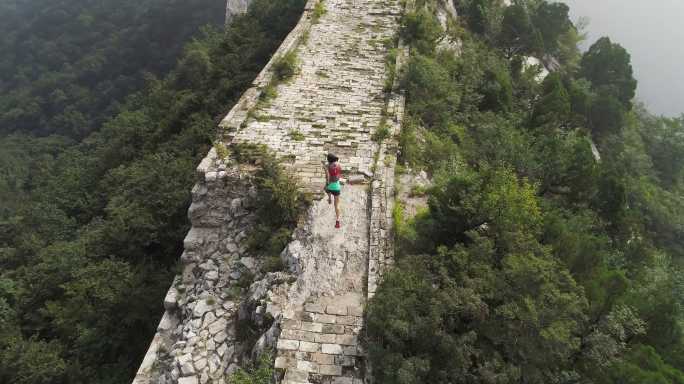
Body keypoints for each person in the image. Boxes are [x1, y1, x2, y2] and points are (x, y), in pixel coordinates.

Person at [324, 153, 342, 228]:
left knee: (326, 189)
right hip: (337, 186)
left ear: (328, 160)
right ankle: (337, 220)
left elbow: (327, 177)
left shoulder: (327, 166)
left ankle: (329, 198)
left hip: (330, 185)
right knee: (337, 204)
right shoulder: (338, 165)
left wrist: (327, 184)